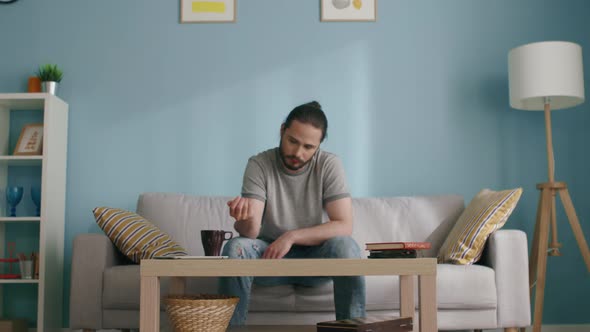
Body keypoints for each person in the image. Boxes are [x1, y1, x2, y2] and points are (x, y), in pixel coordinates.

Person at [219, 101, 366, 325]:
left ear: (319, 146)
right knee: (235, 247)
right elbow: (251, 232)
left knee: (347, 247)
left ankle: (353, 330)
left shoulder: (329, 164)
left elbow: (344, 225)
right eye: (292, 141)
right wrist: (243, 219)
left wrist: (291, 236)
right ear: (282, 131)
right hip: (270, 256)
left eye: (308, 147)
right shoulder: (259, 164)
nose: (298, 153)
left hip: (317, 258)